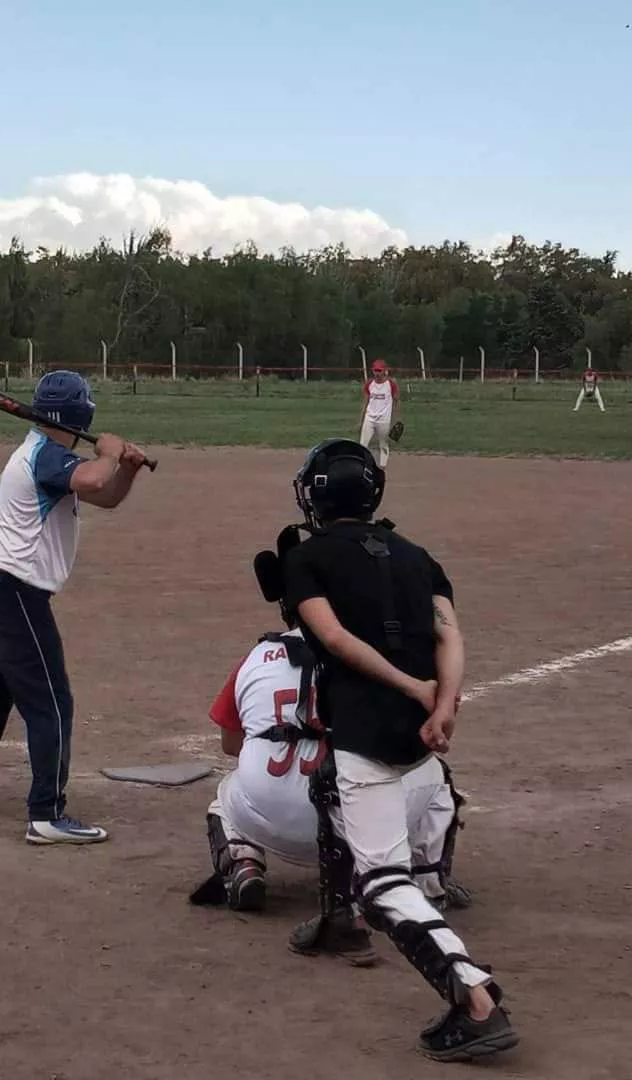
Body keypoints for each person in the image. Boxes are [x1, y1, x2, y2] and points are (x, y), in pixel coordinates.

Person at [279, 438, 518, 1063]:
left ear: (316, 497)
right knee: (330, 793)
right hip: (420, 739)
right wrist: (442, 705)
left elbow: (332, 639)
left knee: (384, 884)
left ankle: (475, 1000)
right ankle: (337, 919)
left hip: (368, 735)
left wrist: (413, 688)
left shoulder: (305, 558)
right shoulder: (417, 555)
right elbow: (449, 636)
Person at [188, 526, 470, 971]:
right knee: (432, 775)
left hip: (271, 817)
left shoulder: (256, 657)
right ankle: (428, 880)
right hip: (358, 822)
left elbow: (231, 745)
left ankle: (244, 863)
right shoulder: (377, 658)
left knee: (228, 790)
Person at [0, 370, 148, 844]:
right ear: (82, 413)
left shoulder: (43, 453)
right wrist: (109, 453)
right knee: (51, 702)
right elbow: (94, 475)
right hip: (11, 593)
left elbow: (105, 495)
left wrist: (126, 468)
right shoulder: (48, 455)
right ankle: (46, 815)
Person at [359, 359, 398, 467]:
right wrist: (361, 419)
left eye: (379, 370)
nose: (377, 373)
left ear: (385, 371)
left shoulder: (391, 384)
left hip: (384, 420)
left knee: (383, 444)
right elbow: (366, 402)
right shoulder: (369, 384)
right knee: (363, 444)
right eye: (375, 370)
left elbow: (396, 401)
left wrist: (395, 419)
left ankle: (382, 466)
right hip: (370, 418)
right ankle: (362, 465)